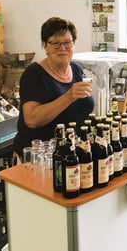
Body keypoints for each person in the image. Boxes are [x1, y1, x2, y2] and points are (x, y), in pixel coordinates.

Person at [14, 17, 94, 154]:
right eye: (55, 43)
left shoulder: (76, 69)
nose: (62, 48)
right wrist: (69, 96)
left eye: (67, 43)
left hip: (73, 150)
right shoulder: (33, 74)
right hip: (41, 155)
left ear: (74, 43)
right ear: (45, 45)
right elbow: (32, 120)